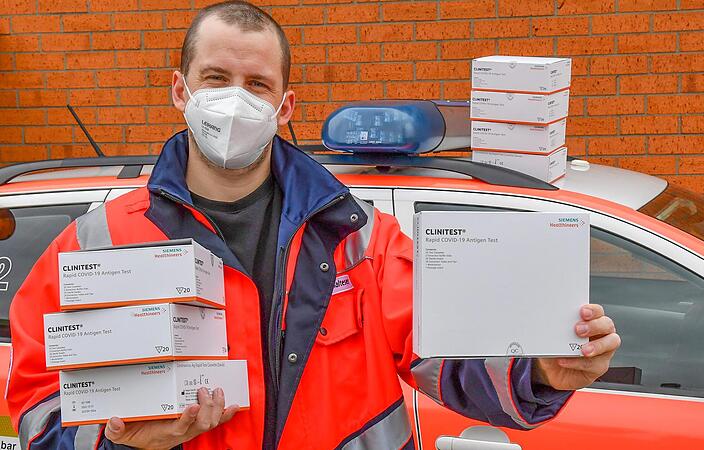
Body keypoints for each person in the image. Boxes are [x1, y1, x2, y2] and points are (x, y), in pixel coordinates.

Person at [7, 2, 620, 449]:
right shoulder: (96, 243)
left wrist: (542, 371)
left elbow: (450, 357)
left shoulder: (361, 240)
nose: (235, 100)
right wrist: (120, 443)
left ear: (285, 105)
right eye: (216, 79)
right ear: (180, 90)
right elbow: (38, 408)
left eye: (257, 85)